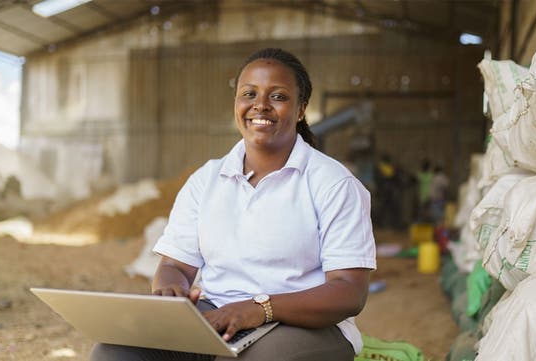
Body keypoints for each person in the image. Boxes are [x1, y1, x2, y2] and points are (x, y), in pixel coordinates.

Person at [91, 48, 376, 361]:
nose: (260, 105)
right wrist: (171, 291)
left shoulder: (334, 184)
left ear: (300, 109)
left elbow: (349, 291)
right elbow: (175, 265)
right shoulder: (207, 179)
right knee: (114, 352)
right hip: (217, 314)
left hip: (302, 324)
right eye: (249, 93)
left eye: (278, 96)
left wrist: (259, 309)